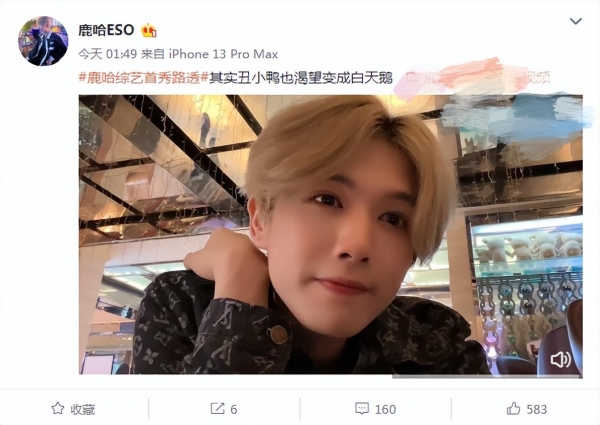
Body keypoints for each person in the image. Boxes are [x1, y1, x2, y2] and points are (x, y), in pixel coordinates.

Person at [132, 95, 491, 375]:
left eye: (393, 218)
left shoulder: (438, 344)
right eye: (327, 200)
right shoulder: (182, 308)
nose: (357, 246)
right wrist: (239, 295)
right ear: (260, 220)